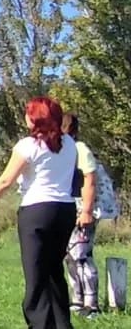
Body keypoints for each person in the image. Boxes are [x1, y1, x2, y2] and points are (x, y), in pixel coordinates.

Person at [0, 96, 79, 329]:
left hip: (37, 210)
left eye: (28, 113)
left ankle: (39, 324)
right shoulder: (70, 144)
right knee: (54, 271)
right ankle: (62, 324)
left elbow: (5, 181)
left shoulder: (29, 146)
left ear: (36, 119)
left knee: (35, 274)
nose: (25, 117)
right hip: (65, 210)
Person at [61, 114, 100, 318]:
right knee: (70, 257)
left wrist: (86, 210)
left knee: (82, 256)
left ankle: (91, 304)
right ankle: (77, 300)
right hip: (69, 207)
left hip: (84, 208)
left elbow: (90, 181)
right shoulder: (64, 150)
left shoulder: (80, 150)